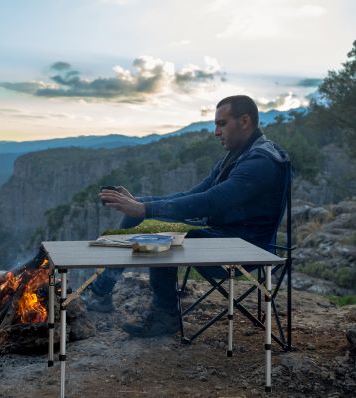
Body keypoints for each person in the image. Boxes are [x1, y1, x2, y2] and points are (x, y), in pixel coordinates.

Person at [87, 95, 290, 338]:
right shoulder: (237, 156)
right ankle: (102, 292)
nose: (216, 132)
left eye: (222, 124)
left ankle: (165, 315)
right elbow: (193, 194)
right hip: (223, 238)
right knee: (140, 216)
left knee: (158, 236)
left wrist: (144, 210)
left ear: (245, 121)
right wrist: (139, 203)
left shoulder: (260, 163)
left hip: (244, 250)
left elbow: (211, 201)